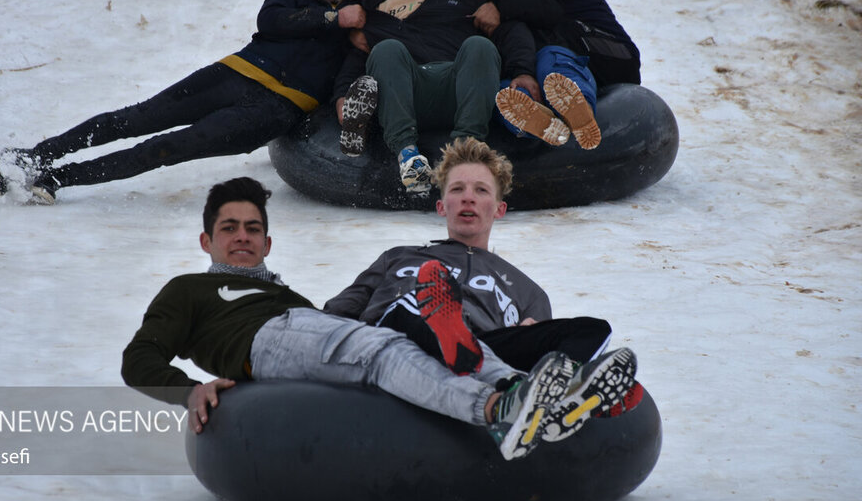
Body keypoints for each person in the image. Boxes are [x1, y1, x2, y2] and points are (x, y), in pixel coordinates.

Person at [121, 176, 633, 459]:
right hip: (264, 341)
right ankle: (498, 411)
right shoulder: (189, 290)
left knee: (411, 347)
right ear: (206, 241)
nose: (242, 237)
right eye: (229, 228)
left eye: (253, 228)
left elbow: (327, 325)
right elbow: (138, 357)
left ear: (268, 242)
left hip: (306, 329)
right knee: (385, 349)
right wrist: (187, 389)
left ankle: (542, 395)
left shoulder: (289, 294)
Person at [0, 0, 375, 204]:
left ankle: (57, 179)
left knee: (165, 148)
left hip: (275, 110)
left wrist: (355, 27)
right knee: (135, 118)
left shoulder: (365, 14)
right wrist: (332, 20)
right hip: (236, 73)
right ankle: (35, 155)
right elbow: (271, 22)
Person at [323, 137, 641, 424]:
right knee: (414, 305)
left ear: (499, 209)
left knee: (594, 329)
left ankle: (569, 390)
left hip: (483, 353)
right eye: (457, 189)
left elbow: (538, 345)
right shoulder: (400, 256)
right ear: (441, 206)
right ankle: (450, 338)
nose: (468, 199)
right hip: (394, 339)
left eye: (481, 190)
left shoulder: (526, 290)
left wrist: (530, 335)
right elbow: (336, 315)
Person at [335, 0, 562, 195]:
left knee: (479, 46)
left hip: (461, 87)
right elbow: (359, 54)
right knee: (386, 50)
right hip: (408, 88)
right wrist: (342, 96)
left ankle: (464, 152)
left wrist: (522, 71)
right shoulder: (384, 3)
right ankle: (407, 156)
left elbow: (513, 33)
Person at [475, 0, 642, 150]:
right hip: (563, 64)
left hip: (609, 54)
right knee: (510, 79)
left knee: (547, 48)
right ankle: (536, 118)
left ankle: (578, 107)